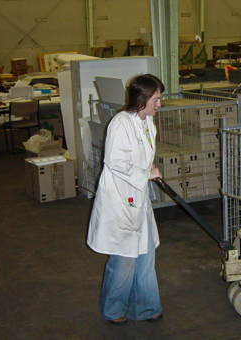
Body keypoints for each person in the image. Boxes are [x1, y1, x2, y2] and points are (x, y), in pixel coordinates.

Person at [87, 74, 165, 325]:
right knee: (124, 261)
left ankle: (146, 308)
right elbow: (116, 162)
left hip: (138, 199)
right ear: (142, 99)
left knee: (145, 255)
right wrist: (146, 173)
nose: (159, 105)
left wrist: (148, 166)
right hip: (121, 200)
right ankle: (113, 309)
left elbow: (140, 153)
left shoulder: (146, 122)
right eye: (156, 99)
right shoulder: (120, 123)